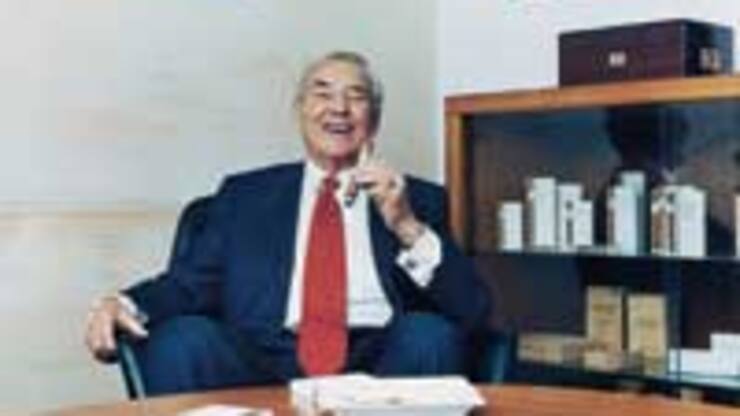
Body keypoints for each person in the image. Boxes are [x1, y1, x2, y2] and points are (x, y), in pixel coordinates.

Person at [84, 51, 491, 396]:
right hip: (262, 359)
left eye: (356, 96)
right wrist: (123, 303)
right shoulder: (244, 196)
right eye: (323, 93)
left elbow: (472, 312)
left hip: (378, 360)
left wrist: (406, 226)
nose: (339, 108)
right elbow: (187, 285)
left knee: (428, 335)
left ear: (375, 120)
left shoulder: (417, 199)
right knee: (182, 340)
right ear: (300, 111)